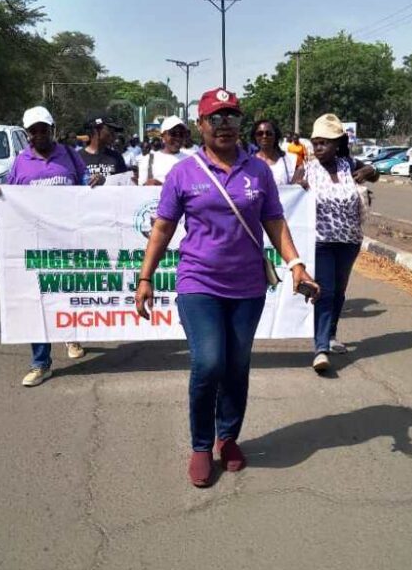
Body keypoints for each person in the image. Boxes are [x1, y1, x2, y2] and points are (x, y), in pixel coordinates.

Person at [135, 87, 319, 488]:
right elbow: (163, 228)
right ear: (200, 125)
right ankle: (201, 445)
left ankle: (227, 437)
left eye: (232, 118)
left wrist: (296, 264)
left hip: (248, 286)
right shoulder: (184, 174)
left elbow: (274, 221)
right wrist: (145, 277)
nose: (225, 126)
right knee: (209, 363)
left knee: (237, 365)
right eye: (215, 119)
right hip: (198, 281)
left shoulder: (258, 171)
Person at [0, 106, 88, 385]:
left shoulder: (68, 155)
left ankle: (72, 336)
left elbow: (86, 183)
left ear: (52, 130)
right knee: (37, 300)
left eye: (44, 129)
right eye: (34, 130)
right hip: (33, 245)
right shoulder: (21, 161)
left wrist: (95, 182)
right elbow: (10, 195)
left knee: (68, 292)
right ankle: (40, 362)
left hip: (67, 240)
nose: (39, 134)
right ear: (27, 133)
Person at [305, 113, 378, 374]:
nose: (319, 148)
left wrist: (371, 171)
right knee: (324, 291)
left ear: (337, 144)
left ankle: (331, 334)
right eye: (315, 143)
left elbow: (374, 175)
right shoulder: (308, 169)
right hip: (321, 241)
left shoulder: (349, 164)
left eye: (324, 143)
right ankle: (320, 348)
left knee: (339, 290)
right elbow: (291, 196)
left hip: (350, 241)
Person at [138, 115, 189, 185]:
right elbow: (140, 190)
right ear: (163, 136)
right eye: (173, 133)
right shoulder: (149, 160)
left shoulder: (190, 160)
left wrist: (163, 186)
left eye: (182, 134)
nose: (178, 138)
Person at [250, 118, 301, 186]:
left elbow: (295, 188)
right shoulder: (248, 163)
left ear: (276, 136)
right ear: (255, 137)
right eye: (260, 133)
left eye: (269, 133)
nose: (264, 136)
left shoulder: (292, 160)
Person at [80, 117, 127, 185]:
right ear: (96, 130)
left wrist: (105, 181)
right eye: (110, 130)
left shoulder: (117, 157)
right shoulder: (77, 157)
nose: (114, 135)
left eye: (114, 132)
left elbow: (124, 185)